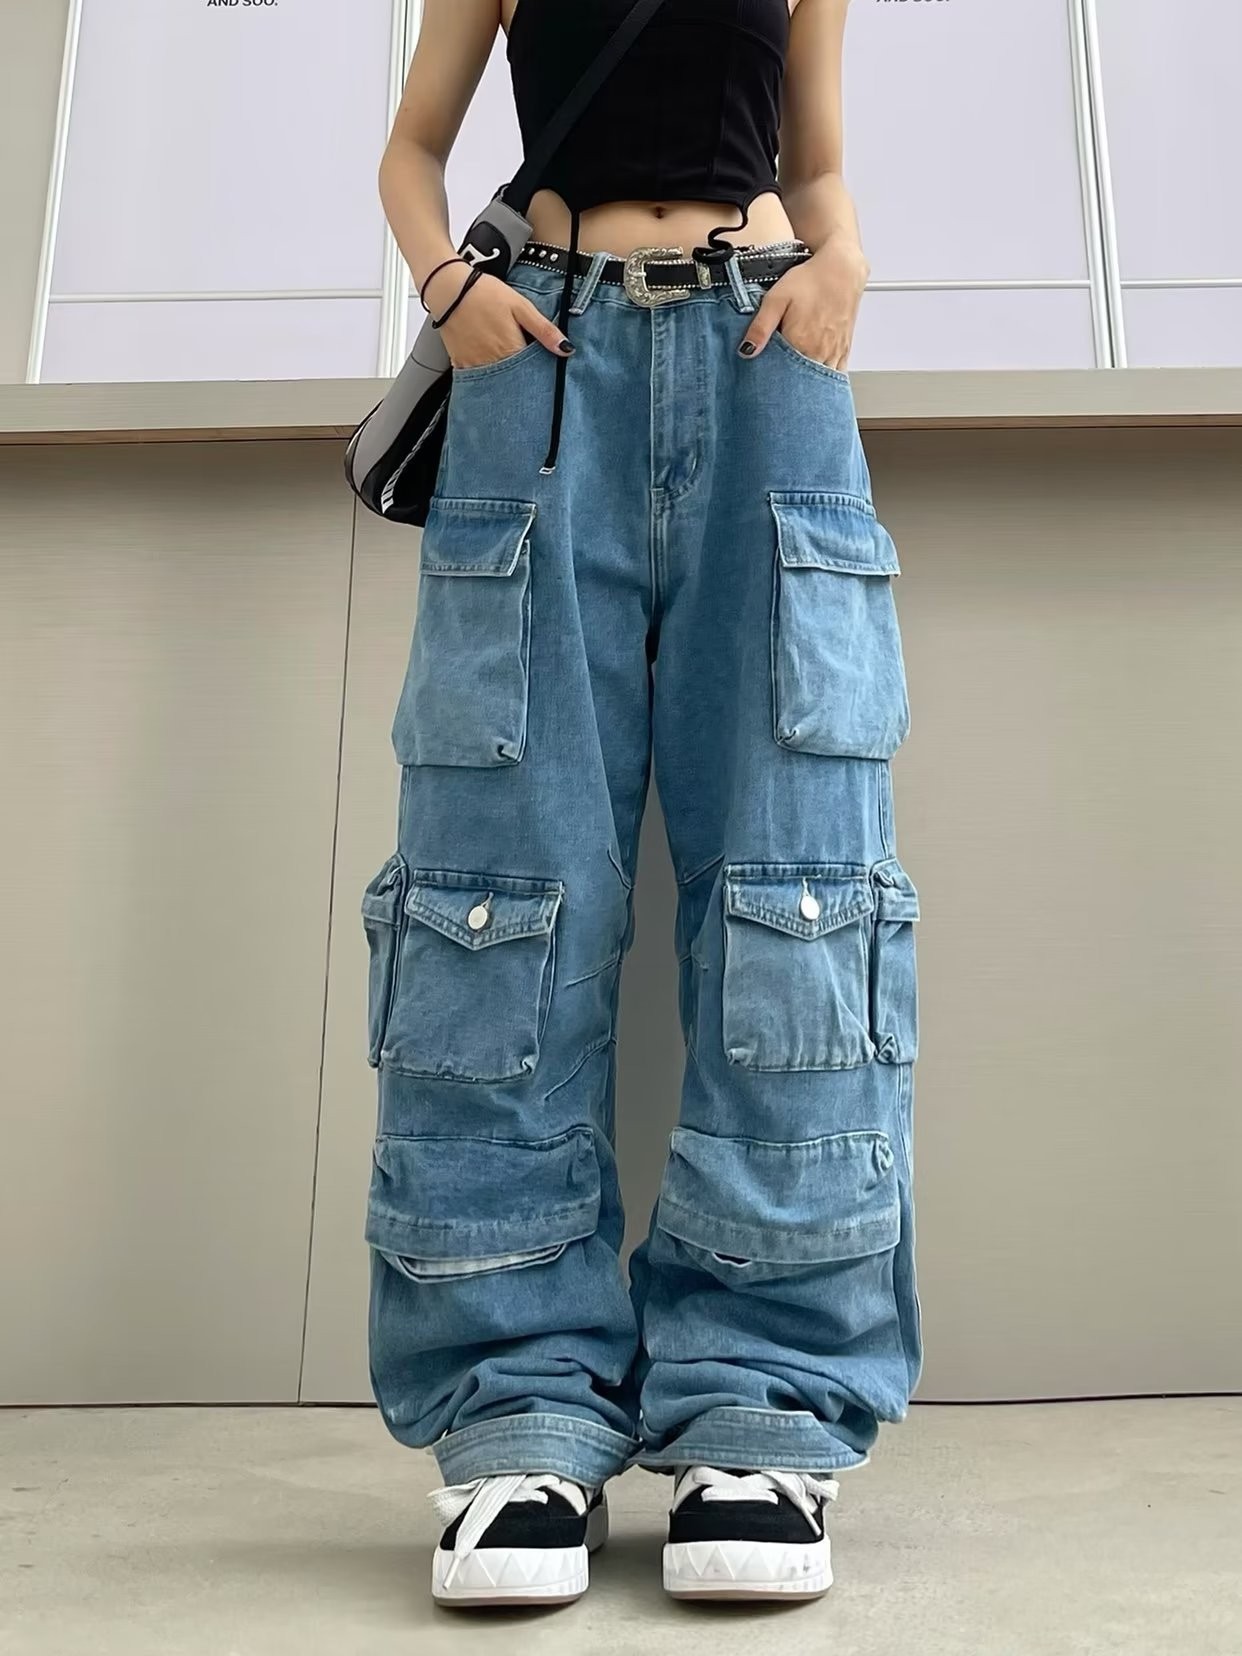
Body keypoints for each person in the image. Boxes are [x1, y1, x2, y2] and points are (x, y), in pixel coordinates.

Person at [362, 0, 921, 1609]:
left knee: (795, 875)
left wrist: (843, 259)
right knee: (500, 881)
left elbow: (816, 162)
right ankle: (515, 1408)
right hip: (540, 357)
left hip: (764, 349)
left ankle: (764, 1402)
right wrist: (446, 285)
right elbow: (409, 149)